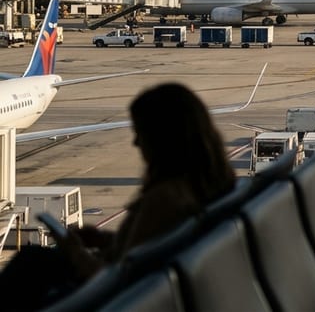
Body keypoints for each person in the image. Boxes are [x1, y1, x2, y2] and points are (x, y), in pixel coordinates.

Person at [0, 82, 236, 309]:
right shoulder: (209, 188)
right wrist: (106, 240)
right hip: (147, 293)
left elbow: (114, 280)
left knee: (32, 262)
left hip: (115, 299)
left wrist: (75, 252)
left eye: (141, 133)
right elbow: (147, 251)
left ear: (165, 140)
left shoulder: (165, 200)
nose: (135, 142)